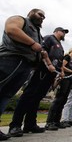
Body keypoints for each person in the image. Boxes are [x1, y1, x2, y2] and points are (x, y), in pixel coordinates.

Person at [0, 9, 55, 141]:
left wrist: (47, 61)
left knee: (6, 95)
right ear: (31, 12)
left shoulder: (38, 33)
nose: (42, 17)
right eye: (40, 14)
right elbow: (12, 29)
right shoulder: (20, 19)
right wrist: (32, 43)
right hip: (11, 59)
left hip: (26, 65)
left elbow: (41, 52)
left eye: (44, 16)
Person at [8, 27, 68, 137]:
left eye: (65, 32)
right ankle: (15, 125)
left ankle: (30, 124)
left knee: (37, 98)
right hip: (41, 71)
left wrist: (61, 72)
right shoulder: (49, 38)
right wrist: (48, 64)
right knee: (28, 96)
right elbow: (41, 51)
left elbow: (59, 61)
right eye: (63, 31)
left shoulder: (61, 46)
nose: (64, 34)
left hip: (51, 74)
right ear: (56, 31)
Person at [45, 47, 72, 130]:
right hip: (65, 79)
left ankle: (56, 121)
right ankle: (50, 122)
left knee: (63, 100)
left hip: (69, 80)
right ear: (71, 50)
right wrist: (71, 71)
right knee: (58, 99)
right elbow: (62, 66)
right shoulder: (67, 57)